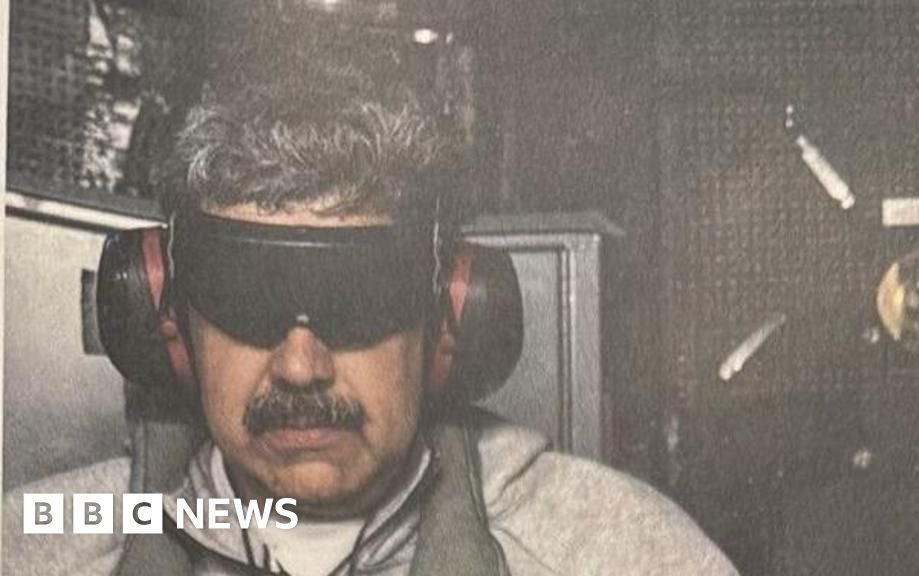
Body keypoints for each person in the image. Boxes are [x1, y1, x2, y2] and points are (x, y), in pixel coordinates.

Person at [2, 6, 737, 576]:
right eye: (248, 298)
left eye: (355, 301)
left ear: (449, 319)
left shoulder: (620, 553)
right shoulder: (39, 544)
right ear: (166, 316)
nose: (300, 366)